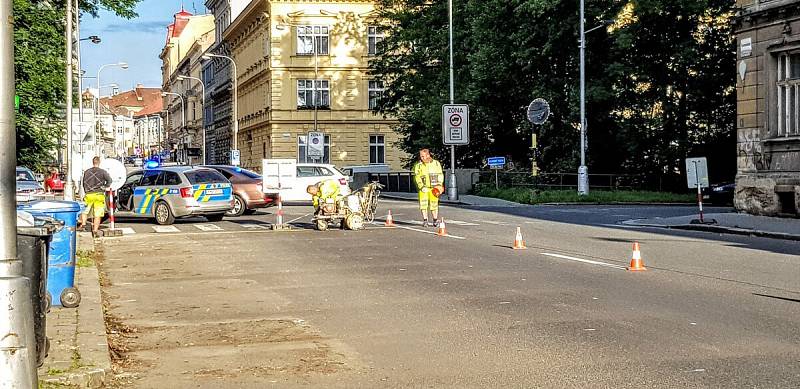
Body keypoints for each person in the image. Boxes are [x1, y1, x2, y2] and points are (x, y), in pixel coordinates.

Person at [77, 156, 112, 236]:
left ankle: (83, 224)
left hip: (89, 194)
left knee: (85, 210)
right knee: (98, 213)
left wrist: (86, 190)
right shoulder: (103, 172)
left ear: (93, 162)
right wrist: (105, 186)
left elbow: (83, 182)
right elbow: (109, 180)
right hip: (99, 195)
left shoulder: (87, 172)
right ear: (99, 163)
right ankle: (95, 231)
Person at [413, 148, 444, 227]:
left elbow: (440, 174)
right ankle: (425, 220)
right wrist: (421, 186)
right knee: (423, 204)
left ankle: (435, 220)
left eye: (423, 156)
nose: (422, 158)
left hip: (434, 188)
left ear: (428, 155)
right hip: (424, 188)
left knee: (434, 204)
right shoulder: (418, 166)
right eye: (421, 156)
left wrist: (439, 184)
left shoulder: (436, 164)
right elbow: (417, 177)